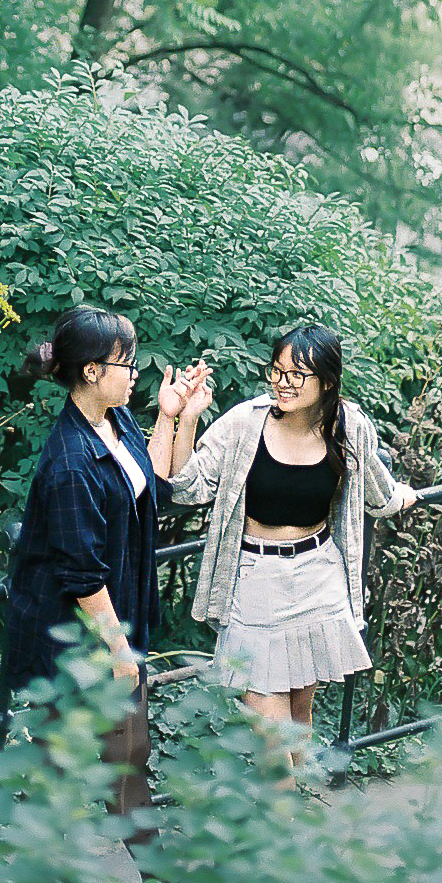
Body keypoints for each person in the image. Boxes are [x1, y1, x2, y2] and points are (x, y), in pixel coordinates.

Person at [150, 323, 417, 764]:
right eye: (277, 371)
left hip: (318, 578)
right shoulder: (245, 422)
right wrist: (189, 416)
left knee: (298, 718)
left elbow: (378, 490)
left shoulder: (350, 428)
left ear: (327, 382)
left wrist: (400, 498)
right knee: (270, 741)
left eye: (297, 375)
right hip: (256, 582)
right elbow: (186, 486)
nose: (283, 383)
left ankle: (293, 820)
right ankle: (289, 817)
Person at [3, 304, 193, 821]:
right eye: (127, 364)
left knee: (126, 756)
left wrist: (177, 418)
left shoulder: (116, 420)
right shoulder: (70, 462)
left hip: (114, 622)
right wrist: (120, 650)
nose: (136, 374)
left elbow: (156, 481)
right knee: (71, 764)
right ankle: (50, 882)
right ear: (92, 371)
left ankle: (143, 881)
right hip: (73, 636)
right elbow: (83, 575)